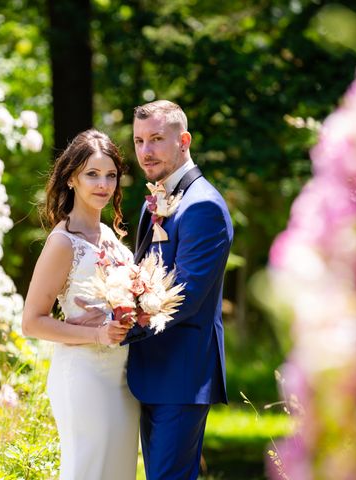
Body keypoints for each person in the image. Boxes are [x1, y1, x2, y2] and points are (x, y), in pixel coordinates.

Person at [123, 100, 233, 479]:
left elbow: (184, 296)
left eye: (156, 139)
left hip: (183, 373)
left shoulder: (204, 206)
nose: (145, 151)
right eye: (138, 141)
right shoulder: (154, 200)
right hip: (151, 369)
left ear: (183, 140)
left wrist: (121, 324)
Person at [21, 129, 140, 480]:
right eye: (92, 174)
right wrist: (100, 335)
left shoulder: (110, 238)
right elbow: (32, 322)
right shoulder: (63, 242)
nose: (103, 184)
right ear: (72, 178)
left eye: (110, 176)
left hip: (121, 377)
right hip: (85, 376)